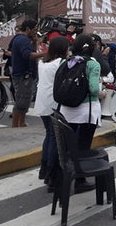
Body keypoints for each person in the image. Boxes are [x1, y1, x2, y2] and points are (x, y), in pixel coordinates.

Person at [57, 34, 103, 193]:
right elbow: (94, 89)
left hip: (66, 110)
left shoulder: (68, 62)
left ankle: (63, 176)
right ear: (91, 47)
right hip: (86, 113)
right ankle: (80, 180)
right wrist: (101, 93)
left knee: (69, 145)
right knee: (83, 146)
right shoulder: (92, 64)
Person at [33, 36, 69, 189]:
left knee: (49, 135)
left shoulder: (42, 62)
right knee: (55, 138)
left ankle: (44, 168)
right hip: (53, 103)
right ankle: (51, 173)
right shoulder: (60, 63)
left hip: (41, 103)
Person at [10, 19, 46, 127]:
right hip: (23, 75)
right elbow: (28, 55)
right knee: (21, 101)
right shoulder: (23, 40)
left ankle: (22, 123)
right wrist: (46, 53)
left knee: (25, 100)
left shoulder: (21, 39)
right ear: (27, 29)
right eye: (34, 29)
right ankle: (16, 125)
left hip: (23, 74)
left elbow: (31, 52)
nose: (36, 32)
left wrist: (34, 41)